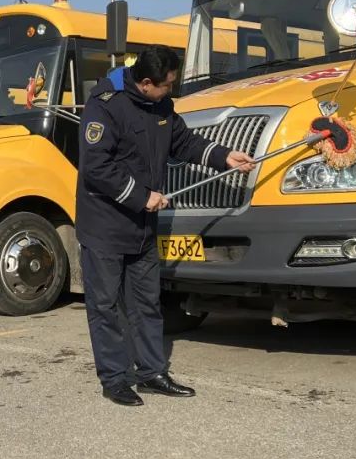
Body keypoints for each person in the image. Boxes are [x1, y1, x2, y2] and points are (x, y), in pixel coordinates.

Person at [76, 45, 255, 406]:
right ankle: (114, 379)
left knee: (147, 303)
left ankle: (151, 373)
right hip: (106, 226)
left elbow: (183, 142)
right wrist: (141, 196)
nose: (170, 91)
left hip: (142, 227)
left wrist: (223, 157)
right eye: (167, 85)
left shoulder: (160, 106)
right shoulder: (104, 105)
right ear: (145, 83)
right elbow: (96, 167)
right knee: (106, 306)